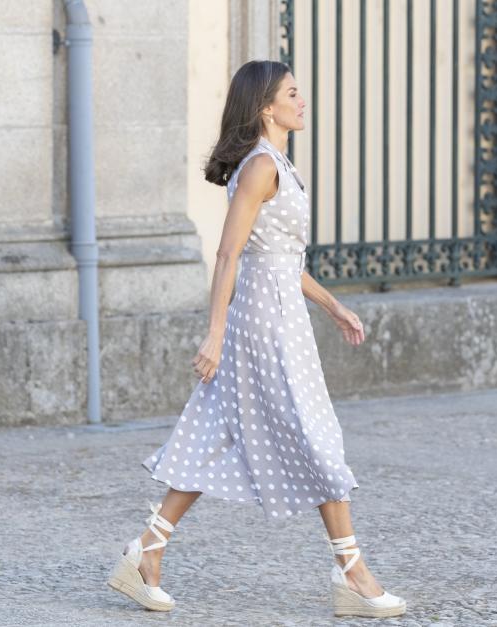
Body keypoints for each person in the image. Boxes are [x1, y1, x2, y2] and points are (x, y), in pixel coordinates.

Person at [106, 60, 406, 619]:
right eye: (293, 92)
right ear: (267, 107)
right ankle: (352, 572)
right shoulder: (260, 168)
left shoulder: (278, 165)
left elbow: (280, 260)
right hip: (261, 326)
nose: (302, 99)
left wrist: (333, 304)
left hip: (282, 316)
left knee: (213, 435)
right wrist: (214, 334)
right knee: (317, 437)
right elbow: (229, 253)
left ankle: (145, 550)